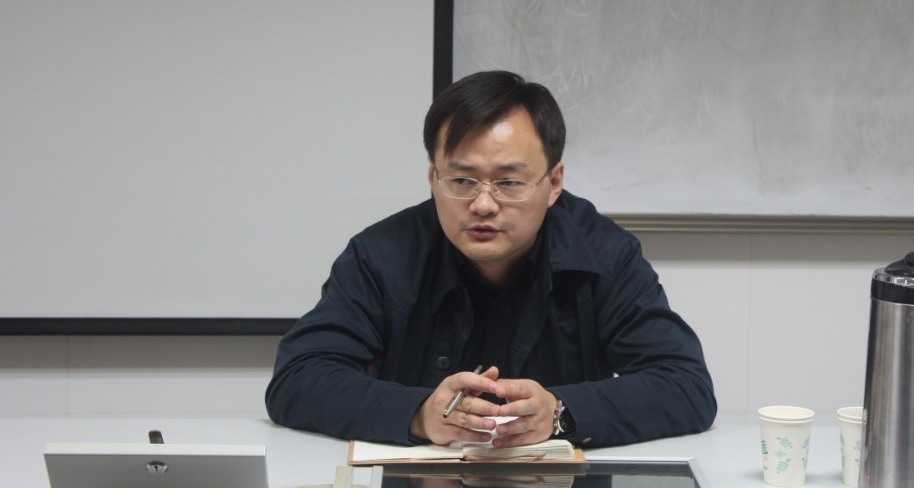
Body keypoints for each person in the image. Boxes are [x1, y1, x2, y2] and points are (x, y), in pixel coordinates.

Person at [265, 70, 716, 449]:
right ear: (433, 176)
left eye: (509, 183)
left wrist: (559, 412)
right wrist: (419, 414)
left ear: (554, 183)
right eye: (462, 181)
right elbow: (298, 377)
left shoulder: (604, 254)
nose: (483, 205)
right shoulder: (383, 255)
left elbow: (686, 385)